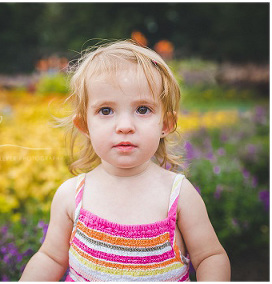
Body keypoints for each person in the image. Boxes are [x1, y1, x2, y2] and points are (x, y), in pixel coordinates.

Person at [20, 40, 230, 281]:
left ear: (165, 124)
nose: (125, 127)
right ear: (84, 125)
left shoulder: (178, 195)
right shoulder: (72, 195)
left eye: (142, 109)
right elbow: (51, 257)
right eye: (106, 111)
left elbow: (210, 257)